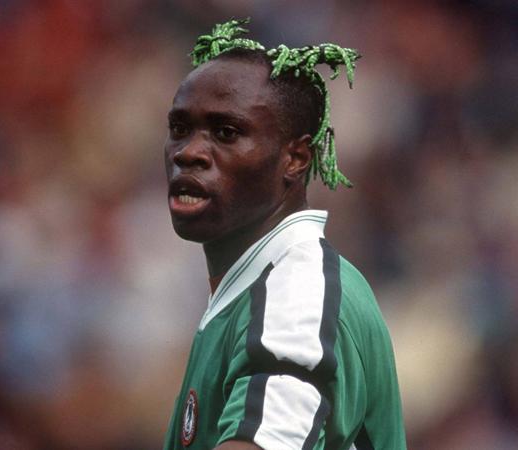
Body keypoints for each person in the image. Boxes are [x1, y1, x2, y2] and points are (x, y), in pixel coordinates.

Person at [163, 19, 406, 450]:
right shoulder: (257, 286)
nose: (189, 152)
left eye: (226, 132)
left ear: (295, 158)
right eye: (180, 129)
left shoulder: (295, 295)